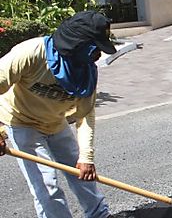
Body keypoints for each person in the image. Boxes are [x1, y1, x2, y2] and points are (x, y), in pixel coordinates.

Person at [0, 11, 117, 218]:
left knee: (83, 173)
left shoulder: (85, 71)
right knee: (46, 186)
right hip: (22, 122)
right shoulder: (31, 53)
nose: (98, 55)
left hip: (55, 122)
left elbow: (85, 114)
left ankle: (100, 215)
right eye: (95, 48)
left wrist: (87, 157)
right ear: (78, 44)